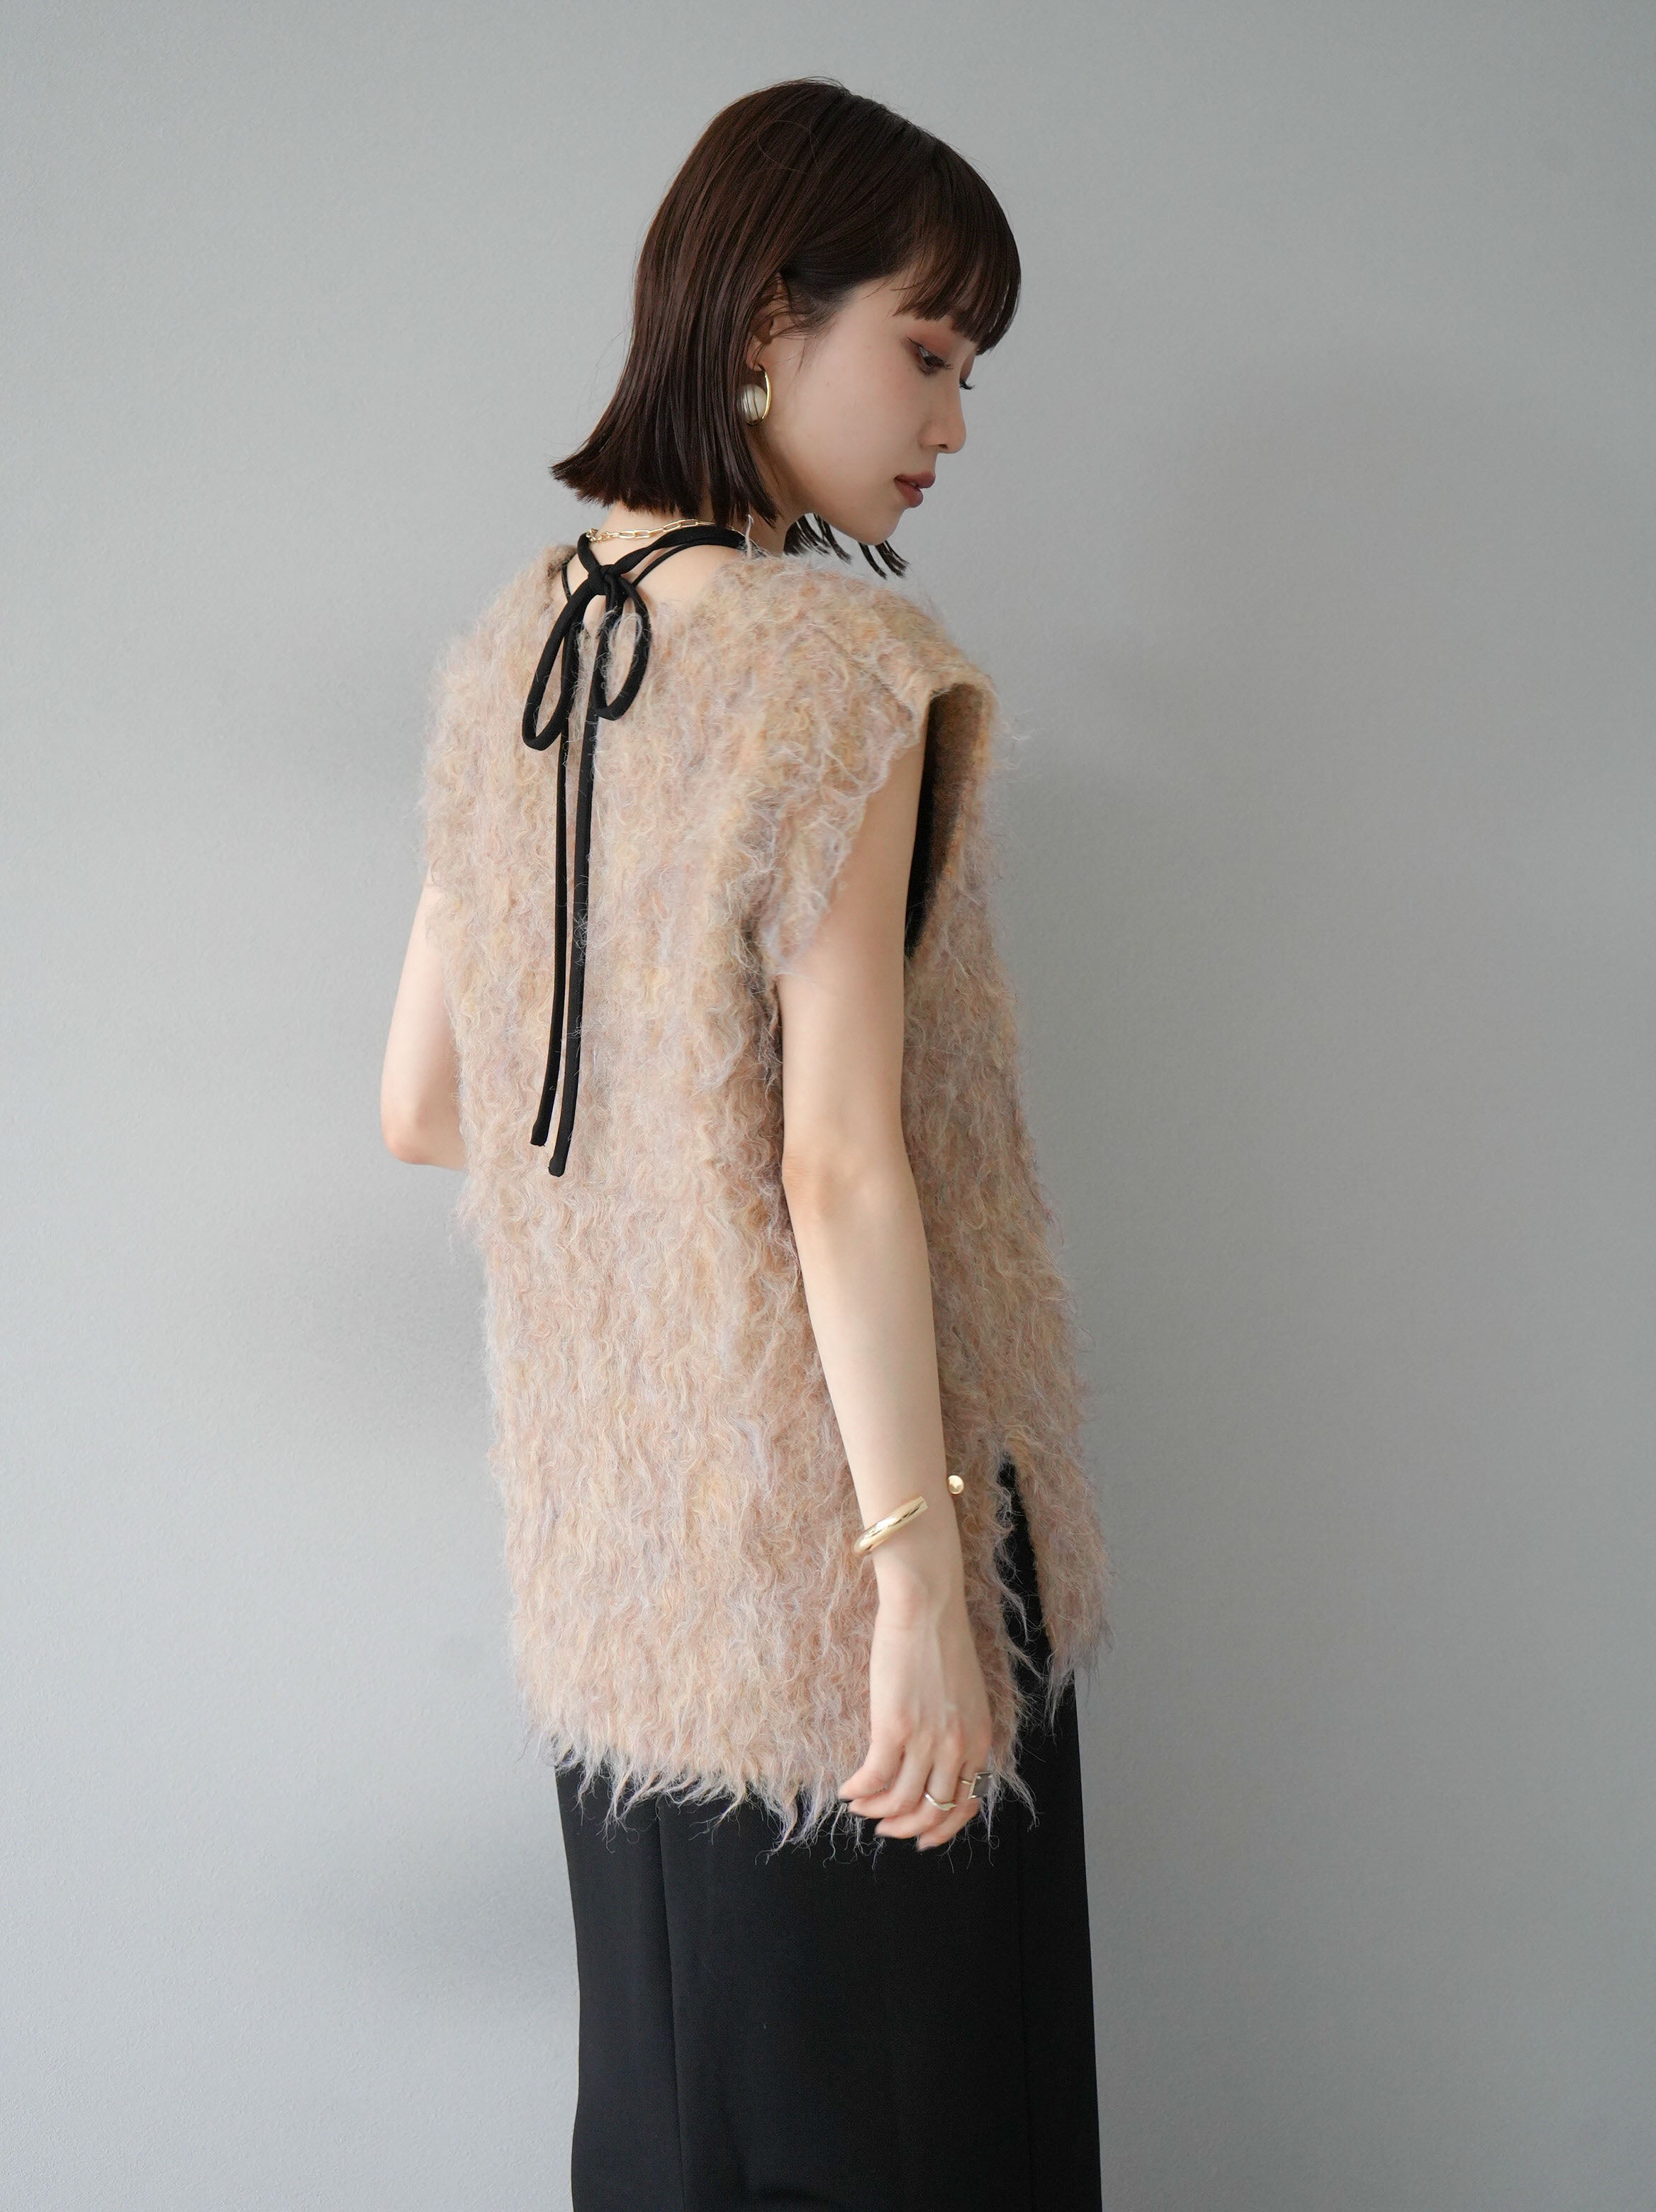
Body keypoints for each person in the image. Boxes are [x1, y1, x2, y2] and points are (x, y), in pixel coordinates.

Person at [380, 77, 1113, 2211]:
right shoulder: (833, 664)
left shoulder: (519, 647)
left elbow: (427, 1104)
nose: (953, 422)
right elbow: (842, 1166)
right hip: (860, 1551)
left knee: (683, 2127)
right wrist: (922, 1593)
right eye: (930, 350)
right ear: (767, 321)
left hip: (632, 1581)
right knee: (920, 2141)